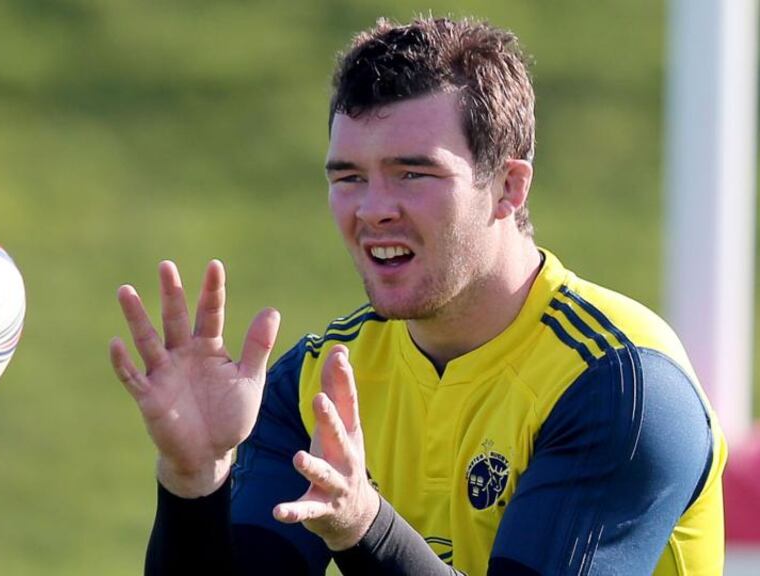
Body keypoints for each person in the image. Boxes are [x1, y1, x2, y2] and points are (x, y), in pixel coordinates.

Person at [109, 16, 726, 576]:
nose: (374, 209)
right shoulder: (317, 381)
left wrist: (363, 527)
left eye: (414, 173)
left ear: (508, 187)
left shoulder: (620, 384)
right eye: (349, 177)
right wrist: (195, 480)